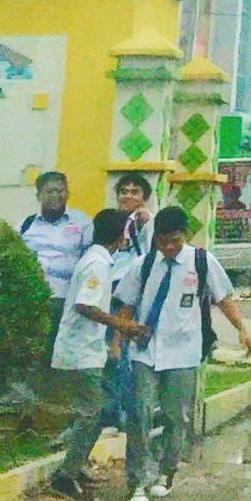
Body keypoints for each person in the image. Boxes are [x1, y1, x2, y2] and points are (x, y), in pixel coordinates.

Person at [116, 206, 251, 501]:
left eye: (175, 241)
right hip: (146, 351)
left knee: (175, 416)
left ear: (185, 236)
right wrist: (119, 340)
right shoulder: (144, 264)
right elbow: (125, 305)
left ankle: (166, 472)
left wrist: (241, 329)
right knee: (139, 413)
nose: (168, 247)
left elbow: (224, 299)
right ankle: (138, 479)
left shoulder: (202, 262)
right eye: (162, 241)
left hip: (183, 352)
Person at [46, 210, 147, 500]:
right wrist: (122, 324)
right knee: (91, 413)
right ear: (121, 236)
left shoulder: (98, 260)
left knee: (97, 411)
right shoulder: (97, 265)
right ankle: (64, 476)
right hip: (80, 352)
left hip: (87, 350)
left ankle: (75, 468)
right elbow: (85, 306)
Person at [100, 172, 155, 436]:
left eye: (135, 192)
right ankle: (110, 411)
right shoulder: (111, 221)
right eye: (124, 191)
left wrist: (146, 221)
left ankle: (120, 414)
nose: (128, 196)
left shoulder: (143, 222)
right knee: (107, 353)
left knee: (120, 352)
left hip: (129, 292)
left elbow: (149, 252)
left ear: (144, 197)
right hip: (106, 289)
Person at [17, 172, 91, 334]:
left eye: (61, 191)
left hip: (65, 299)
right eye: (50, 191)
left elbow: (91, 259)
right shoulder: (26, 225)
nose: (56, 195)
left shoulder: (82, 223)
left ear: (68, 194)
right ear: (39, 195)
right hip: (32, 298)